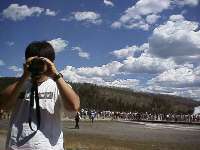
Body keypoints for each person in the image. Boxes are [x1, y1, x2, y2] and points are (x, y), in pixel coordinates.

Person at [0, 41, 80, 150]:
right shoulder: (20, 86)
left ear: (51, 63)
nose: (37, 66)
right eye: (34, 61)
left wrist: (56, 75)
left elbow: (74, 107)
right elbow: (3, 104)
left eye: (41, 62)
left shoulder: (58, 86)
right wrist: (24, 76)